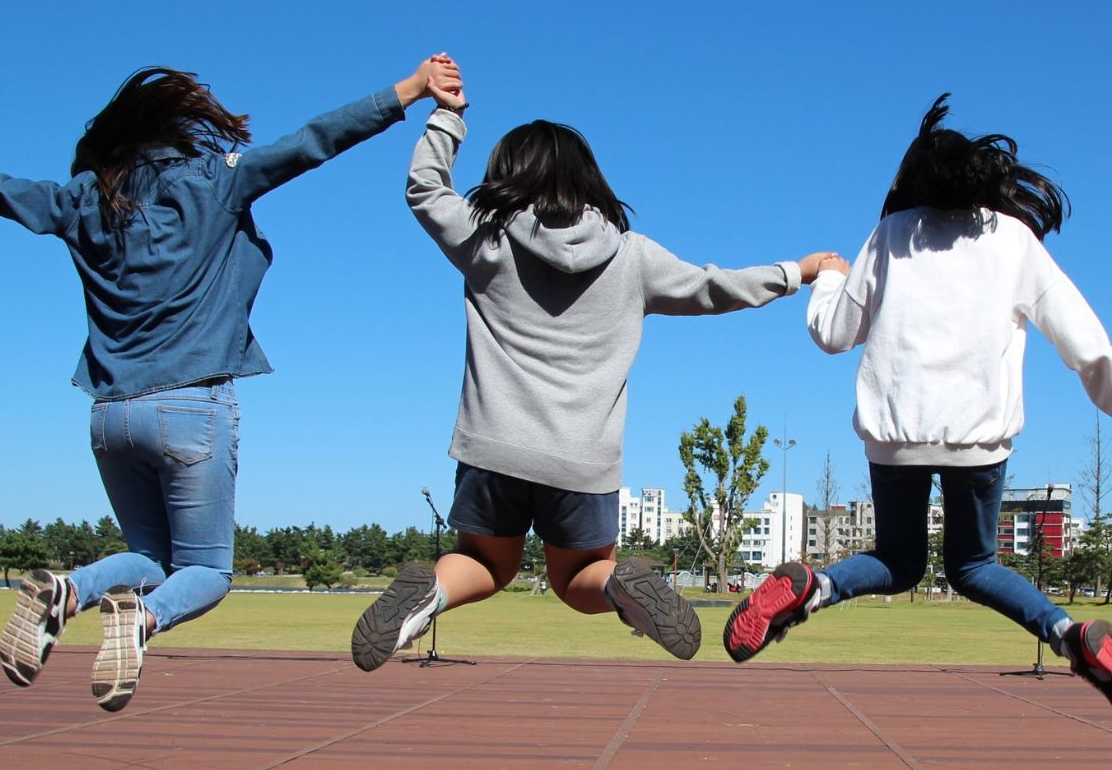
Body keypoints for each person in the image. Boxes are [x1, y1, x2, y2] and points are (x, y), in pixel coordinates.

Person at [0, 58, 455, 710]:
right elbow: (314, 141)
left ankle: (70, 591)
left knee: (151, 560)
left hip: (110, 416)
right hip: (192, 407)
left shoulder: (80, 201)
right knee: (208, 573)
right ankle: (142, 622)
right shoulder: (215, 181)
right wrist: (409, 91)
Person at [350, 56, 836, 670]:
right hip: (584, 459)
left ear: (508, 175)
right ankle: (618, 587)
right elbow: (716, 288)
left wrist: (446, 116)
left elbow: (426, 189)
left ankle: (430, 595)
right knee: (579, 577)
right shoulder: (632, 257)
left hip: (492, 447)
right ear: (588, 180)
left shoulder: (488, 239)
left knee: (483, 564)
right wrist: (798, 272)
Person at [723, 95, 1112, 718]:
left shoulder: (889, 236)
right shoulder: (1013, 241)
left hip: (895, 436)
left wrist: (827, 275)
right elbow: (1086, 345)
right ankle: (1070, 636)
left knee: (897, 560)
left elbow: (831, 334)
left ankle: (812, 588)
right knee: (974, 564)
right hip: (978, 441)